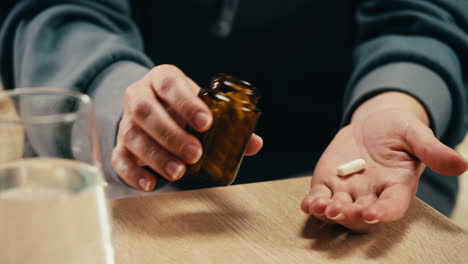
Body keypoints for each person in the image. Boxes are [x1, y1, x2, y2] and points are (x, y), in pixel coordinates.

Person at [1, 0, 467, 232]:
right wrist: (118, 103)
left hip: (350, 182)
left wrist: (395, 102)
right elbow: (53, 12)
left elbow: (426, 16)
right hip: (136, 177)